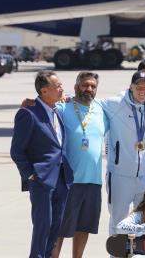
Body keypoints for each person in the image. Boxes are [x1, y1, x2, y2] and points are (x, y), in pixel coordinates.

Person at [10, 70, 73, 258]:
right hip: (41, 180)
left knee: (55, 228)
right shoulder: (28, 113)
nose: (62, 89)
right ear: (44, 91)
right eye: (58, 86)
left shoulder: (58, 111)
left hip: (62, 178)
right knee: (42, 227)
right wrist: (30, 175)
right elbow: (17, 151)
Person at [101, 70, 145, 235]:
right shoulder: (115, 103)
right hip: (120, 175)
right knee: (119, 221)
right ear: (130, 87)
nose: (142, 90)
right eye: (139, 87)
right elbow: (89, 104)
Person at [53, 72, 108, 258]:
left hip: (93, 180)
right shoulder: (62, 107)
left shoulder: (101, 109)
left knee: (84, 226)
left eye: (93, 86)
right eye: (85, 85)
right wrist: (30, 102)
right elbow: (43, 109)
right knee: (60, 228)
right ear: (76, 87)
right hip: (68, 181)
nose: (89, 89)